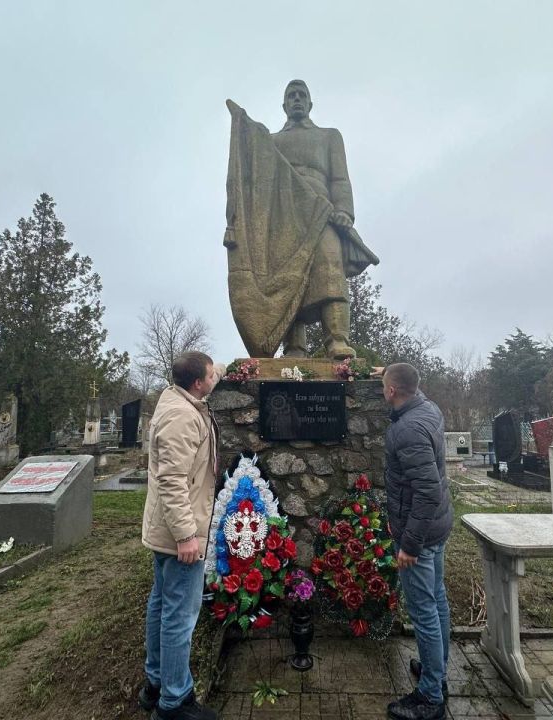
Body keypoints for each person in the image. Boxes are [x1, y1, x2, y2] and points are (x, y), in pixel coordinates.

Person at [223, 80, 379, 360]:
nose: (296, 99)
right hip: (284, 217)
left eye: (301, 95)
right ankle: (295, 347)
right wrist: (244, 127)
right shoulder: (270, 142)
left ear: (310, 103)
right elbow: (251, 178)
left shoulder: (329, 136)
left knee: (330, 271)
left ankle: (337, 341)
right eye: (291, 96)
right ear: (284, 105)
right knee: (288, 276)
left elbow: (340, 179)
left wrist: (344, 211)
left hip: (322, 212)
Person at [139, 351, 225, 720]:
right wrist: (188, 536)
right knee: (179, 616)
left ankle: (155, 683)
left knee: (161, 604)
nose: (213, 378)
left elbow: (212, 372)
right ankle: (174, 701)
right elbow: (172, 482)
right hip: (179, 536)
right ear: (197, 384)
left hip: (166, 532)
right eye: (210, 375)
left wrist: (232, 365)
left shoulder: (180, 396)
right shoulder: (182, 417)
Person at [380, 363, 453, 720]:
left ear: (392, 391)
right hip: (437, 529)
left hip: (419, 535)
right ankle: (436, 673)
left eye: (384, 385)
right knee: (437, 601)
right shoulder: (428, 407)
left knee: (424, 611)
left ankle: (429, 698)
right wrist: (390, 371)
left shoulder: (406, 429)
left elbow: (426, 491)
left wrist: (409, 545)